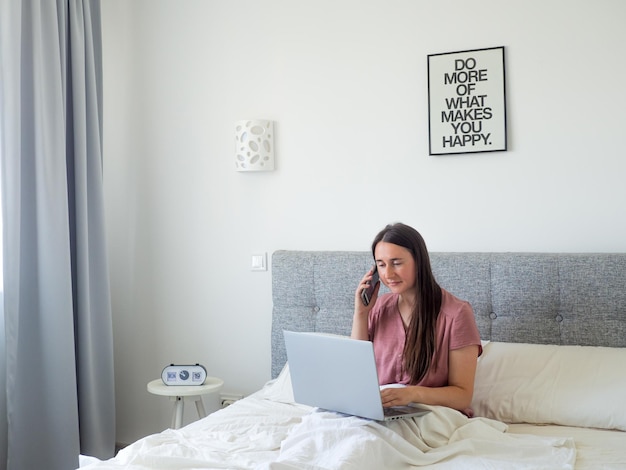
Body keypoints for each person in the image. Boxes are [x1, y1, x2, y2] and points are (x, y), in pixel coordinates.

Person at [351, 223, 482, 415]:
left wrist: (412, 394)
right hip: (378, 412)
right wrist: (361, 314)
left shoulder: (456, 314)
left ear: (418, 262)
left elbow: (462, 395)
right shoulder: (378, 307)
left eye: (396, 263)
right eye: (381, 264)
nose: (388, 274)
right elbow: (356, 372)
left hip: (430, 413)